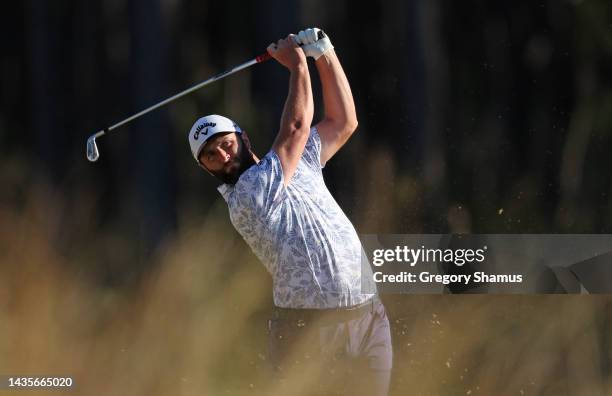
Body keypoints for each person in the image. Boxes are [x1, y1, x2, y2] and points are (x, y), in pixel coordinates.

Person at [187, 28, 392, 395]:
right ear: (206, 170)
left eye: (225, 144)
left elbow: (343, 122)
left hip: (367, 316)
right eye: (210, 156)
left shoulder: (294, 164)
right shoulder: (247, 196)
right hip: (309, 330)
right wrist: (298, 64)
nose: (223, 156)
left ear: (242, 137)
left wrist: (324, 54)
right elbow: (296, 126)